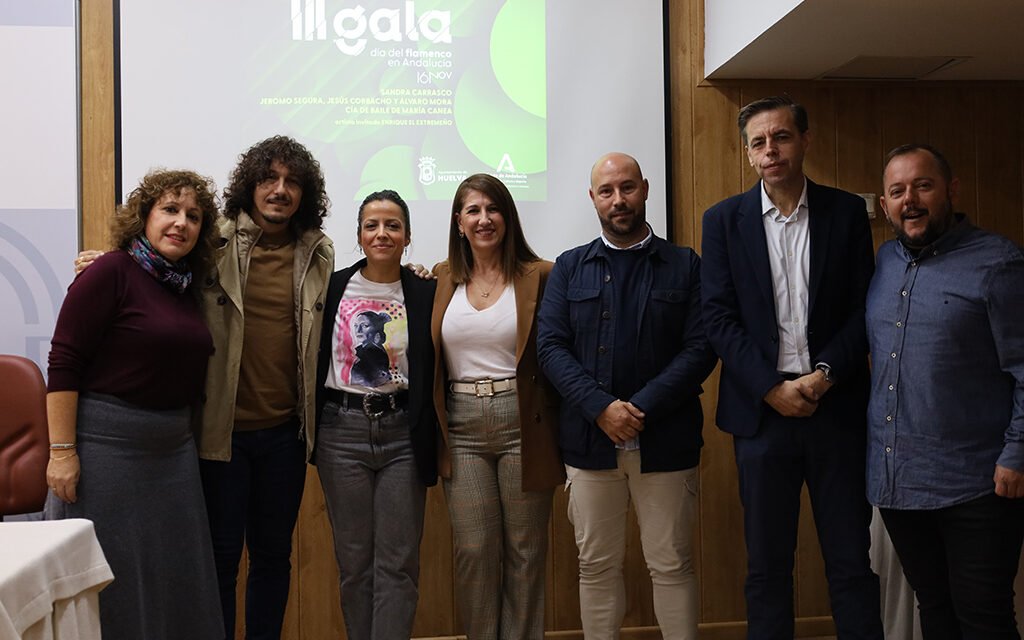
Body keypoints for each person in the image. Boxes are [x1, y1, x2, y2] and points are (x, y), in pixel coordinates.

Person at [75, 135, 334, 639]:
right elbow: (154, 273)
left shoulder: (317, 254)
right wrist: (107, 261)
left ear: (305, 193)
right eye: (268, 179)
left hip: (286, 436)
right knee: (217, 561)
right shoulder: (211, 244)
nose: (279, 190)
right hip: (219, 437)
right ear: (250, 185)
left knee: (273, 559)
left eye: (292, 182)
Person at [700, 95, 883, 639]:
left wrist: (824, 374)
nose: (770, 150)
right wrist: (768, 388)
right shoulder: (722, 221)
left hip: (835, 408)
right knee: (767, 567)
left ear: (805, 140)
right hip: (762, 417)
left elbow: (863, 308)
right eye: (758, 142)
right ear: (747, 154)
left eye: (780, 137)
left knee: (851, 561)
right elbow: (717, 316)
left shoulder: (845, 212)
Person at [536, 152, 717, 639]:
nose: (619, 200)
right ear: (592, 199)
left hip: (666, 441)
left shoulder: (686, 265)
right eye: (607, 191)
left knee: (672, 564)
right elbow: (550, 348)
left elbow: (701, 348)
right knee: (595, 566)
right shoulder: (570, 268)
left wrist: (637, 410)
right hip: (589, 444)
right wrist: (601, 408)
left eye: (627, 188)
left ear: (645, 189)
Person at [46, 170, 223, 639]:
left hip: (172, 456)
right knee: (111, 585)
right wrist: (61, 451)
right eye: (169, 210)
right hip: (108, 453)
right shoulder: (110, 271)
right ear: (143, 216)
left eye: (193, 216)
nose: (181, 223)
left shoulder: (184, 285)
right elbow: (63, 361)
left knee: (173, 584)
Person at [868, 143, 1024, 639]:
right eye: (897, 191)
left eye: (923, 186)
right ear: (885, 203)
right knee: (933, 610)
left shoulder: (998, 263)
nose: (910, 199)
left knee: (984, 618)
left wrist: (1018, 454)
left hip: (978, 482)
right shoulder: (885, 260)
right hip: (900, 482)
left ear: (951, 191)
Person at [431, 173, 563, 639]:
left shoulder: (542, 275)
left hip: (522, 421)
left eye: (493, 209)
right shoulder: (442, 277)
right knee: (474, 549)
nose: (484, 219)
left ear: (507, 216)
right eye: (473, 211)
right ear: (459, 222)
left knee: (526, 553)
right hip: (462, 426)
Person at [313, 189, 437, 640]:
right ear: (359, 235)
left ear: (407, 236)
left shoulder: (425, 291)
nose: (382, 233)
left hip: (403, 434)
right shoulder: (331, 286)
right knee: (354, 564)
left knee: (398, 565)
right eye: (372, 225)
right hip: (341, 433)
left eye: (393, 225)